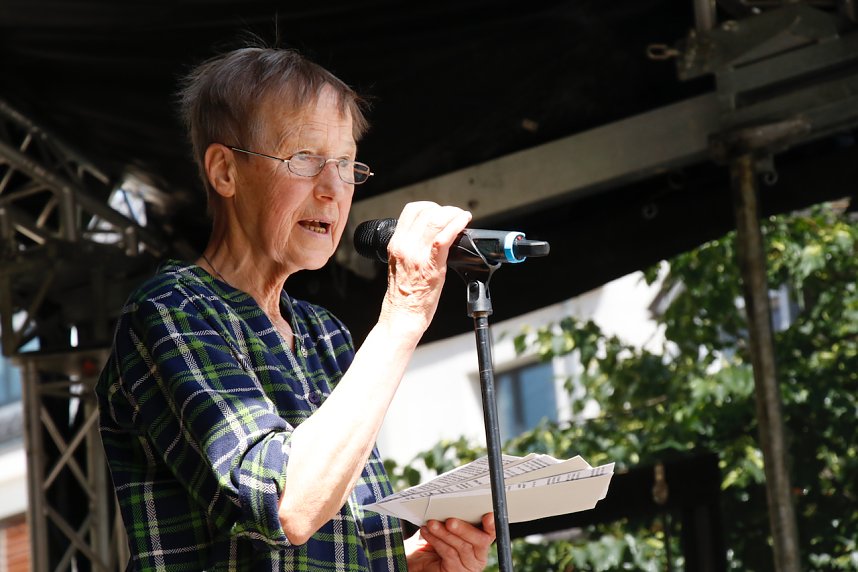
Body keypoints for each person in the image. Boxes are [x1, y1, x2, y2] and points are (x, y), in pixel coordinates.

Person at [96, 46, 496, 571]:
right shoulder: (170, 311)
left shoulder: (324, 333)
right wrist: (404, 313)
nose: (333, 189)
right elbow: (288, 503)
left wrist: (409, 564)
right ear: (225, 171)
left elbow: (324, 524)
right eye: (303, 159)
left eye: (347, 164)